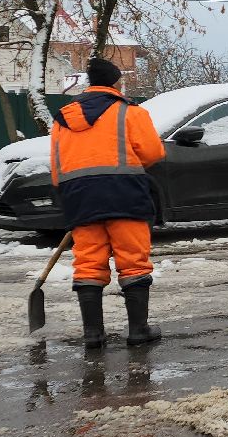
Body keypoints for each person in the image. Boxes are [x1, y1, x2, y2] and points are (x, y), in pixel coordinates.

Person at [50, 57, 167, 348]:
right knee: (133, 261)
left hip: (79, 197)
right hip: (124, 194)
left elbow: (57, 165)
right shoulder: (130, 113)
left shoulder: (63, 117)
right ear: (116, 82)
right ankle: (138, 331)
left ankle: (93, 335)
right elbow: (153, 153)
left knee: (88, 263)